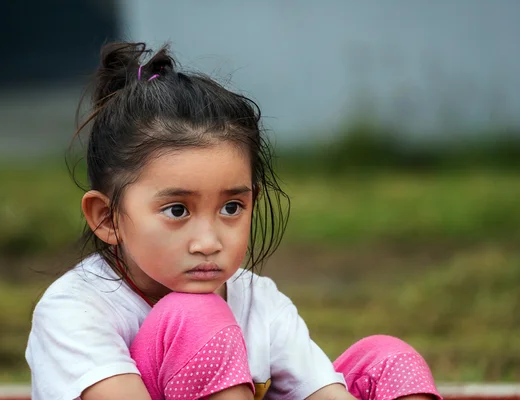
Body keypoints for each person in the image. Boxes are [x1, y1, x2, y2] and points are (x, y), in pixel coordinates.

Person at [25, 42, 442, 400]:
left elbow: (323, 391)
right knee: (195, 315)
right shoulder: (75, 310)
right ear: (108, 217)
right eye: (177, 211)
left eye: (231, 208)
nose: (208, 241)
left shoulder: (259, 301)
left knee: (388, 361)